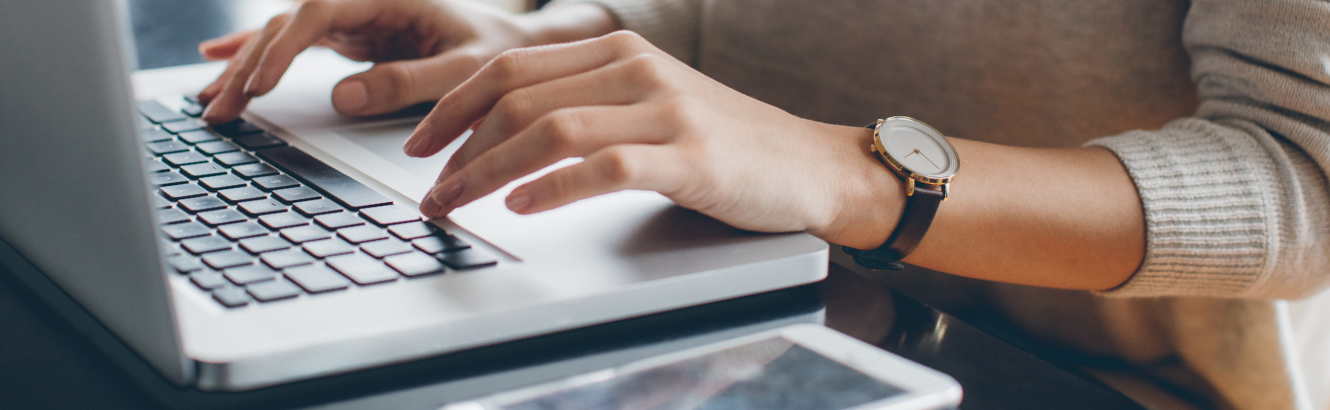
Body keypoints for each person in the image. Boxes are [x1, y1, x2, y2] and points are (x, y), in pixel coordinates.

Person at [194, 0, 1330, 408]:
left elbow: (1302, 176)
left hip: (1081, 380)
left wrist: (848, 172)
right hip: (765, 307)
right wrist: (550, 41)